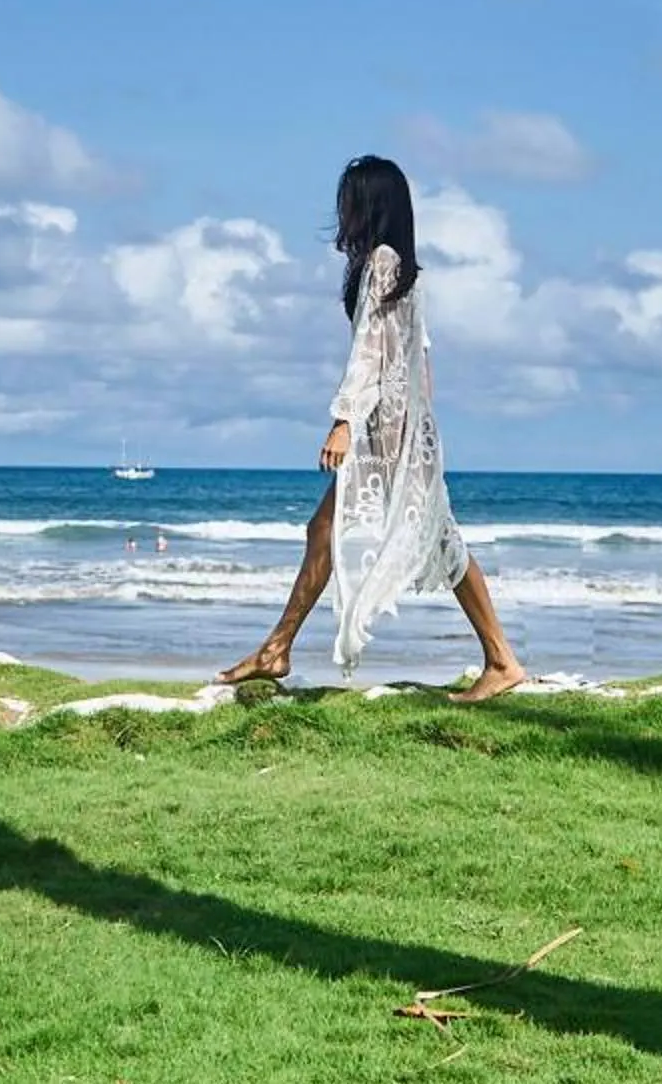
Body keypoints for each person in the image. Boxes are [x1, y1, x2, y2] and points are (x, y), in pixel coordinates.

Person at [220, 155, 526, 701]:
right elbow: (419, 358)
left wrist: (344, 421)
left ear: (370, 205)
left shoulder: (384, 263)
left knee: (424, 535)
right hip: (403, 428)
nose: (342, 210)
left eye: (349, 199)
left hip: (389, 431)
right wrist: (417, 431)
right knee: (354, 530)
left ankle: (502, 660)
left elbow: (369, 351)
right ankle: (277, 649)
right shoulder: (401, 269)